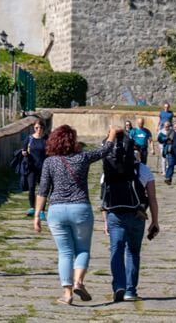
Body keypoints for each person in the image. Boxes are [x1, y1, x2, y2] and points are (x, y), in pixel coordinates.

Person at [35, 124, 117, 305]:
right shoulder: (83, 158)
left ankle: (67, 293)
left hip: (56, 210)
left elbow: (42, 190)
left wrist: (37, 215)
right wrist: (112, 132)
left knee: (64, 252)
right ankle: (79, 281)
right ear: (72, 141)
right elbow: (105, 150)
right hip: (80, 209)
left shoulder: (50, 162)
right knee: (82, 249)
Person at [100, 131, 160, 302]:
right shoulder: (143, 169)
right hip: (137, 214)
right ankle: (130, 291)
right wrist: (155, 221)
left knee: (116, 250)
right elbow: (153, 198)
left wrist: (105, 221)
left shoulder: (108, 169)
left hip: (115, 214)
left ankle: (119, 284)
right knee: (133, 252)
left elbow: (104, 197)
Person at [21, 117, 48, 216]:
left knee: (43, 189)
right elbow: (23, 149)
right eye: (37, 127)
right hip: (31, 167)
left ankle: (41, 211)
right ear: (34, 128)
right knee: (31, 187)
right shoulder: (29, 138)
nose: (39, 129)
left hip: (44, 167)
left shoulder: (46, 139)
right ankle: (32, 207)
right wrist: (24, 153)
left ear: (43, 128)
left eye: (40, 127)